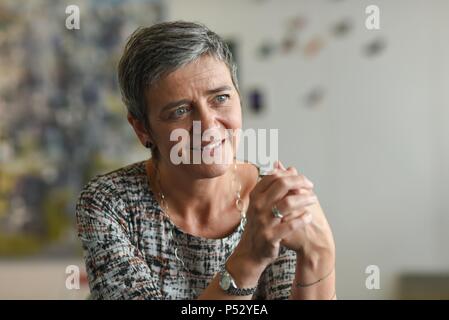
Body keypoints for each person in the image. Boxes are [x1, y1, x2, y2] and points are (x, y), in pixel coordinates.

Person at [76, 21, 336, 300]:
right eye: (180, 111)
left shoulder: (273, 201)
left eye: (220, 98)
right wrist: (249, 257)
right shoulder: (110, 204)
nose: (209, 126)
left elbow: (314, 261)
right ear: (142, 129)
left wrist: (319, 254)